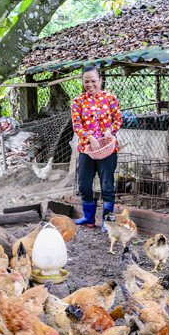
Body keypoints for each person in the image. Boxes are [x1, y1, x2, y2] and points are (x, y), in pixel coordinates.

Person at [71, 66, 122, 232]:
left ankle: (107, 221)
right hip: (87, 149)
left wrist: (110, 130)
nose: (90, 84)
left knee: (107, 184)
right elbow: (77, 125)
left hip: (108, 149)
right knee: (84, 185)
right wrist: (90, 138)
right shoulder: (77, 101)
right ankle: (88, 217)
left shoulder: (110, 98)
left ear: (100, 81)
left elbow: (118, 119)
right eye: (86, 81)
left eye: (93, 81)